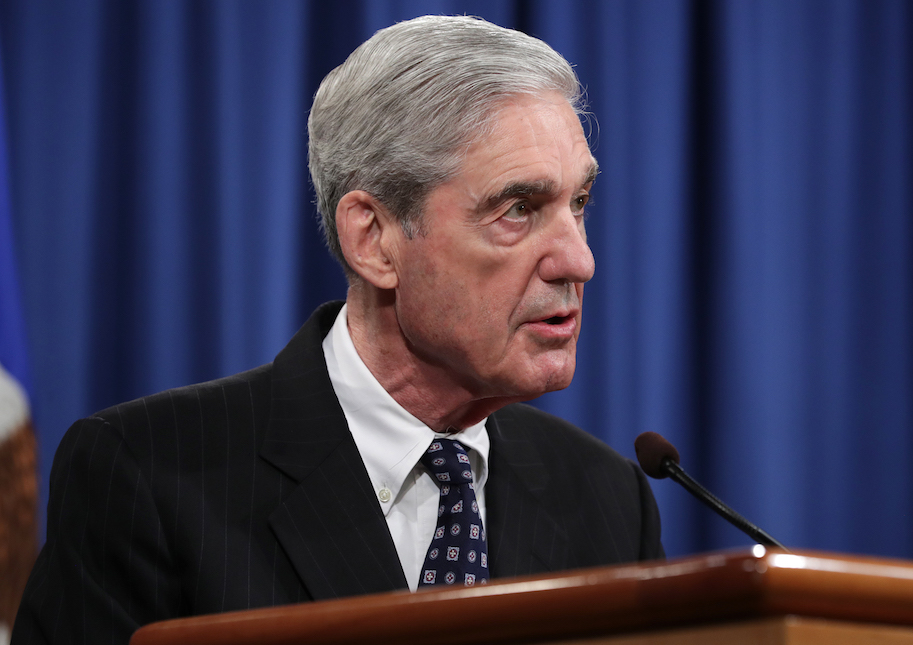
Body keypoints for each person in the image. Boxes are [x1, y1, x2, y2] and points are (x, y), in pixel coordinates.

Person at [12, 15, 663, 645]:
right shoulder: (150, 475)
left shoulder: (607, 498)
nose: (578, 259)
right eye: (518, 209)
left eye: (577, 203)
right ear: (374, 239)